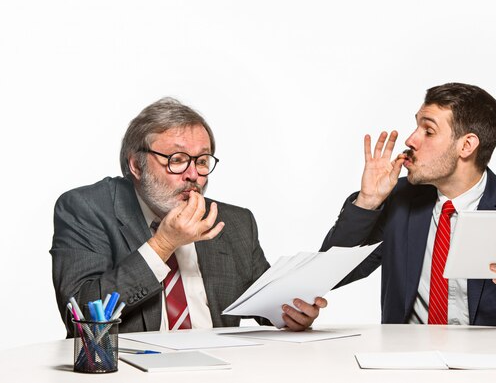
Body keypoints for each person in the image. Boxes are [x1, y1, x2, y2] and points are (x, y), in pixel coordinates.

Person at [51, 97, 326, 336]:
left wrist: (291, 314)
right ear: (136, 165)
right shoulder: (85, 208)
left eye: (202, 161)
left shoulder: (235, 223)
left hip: (222, 370)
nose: (193, 175)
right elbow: (81, 316)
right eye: (177, 159)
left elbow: (267, 307)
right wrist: (162, 245)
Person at [322, 82, 496, 331]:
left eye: (428, 131)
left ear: (466, 145)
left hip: (492, 367)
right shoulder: (396, 199)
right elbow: (330, 273)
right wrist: (368, 202)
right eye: (416, 127)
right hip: (407, 361)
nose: (411, 140)